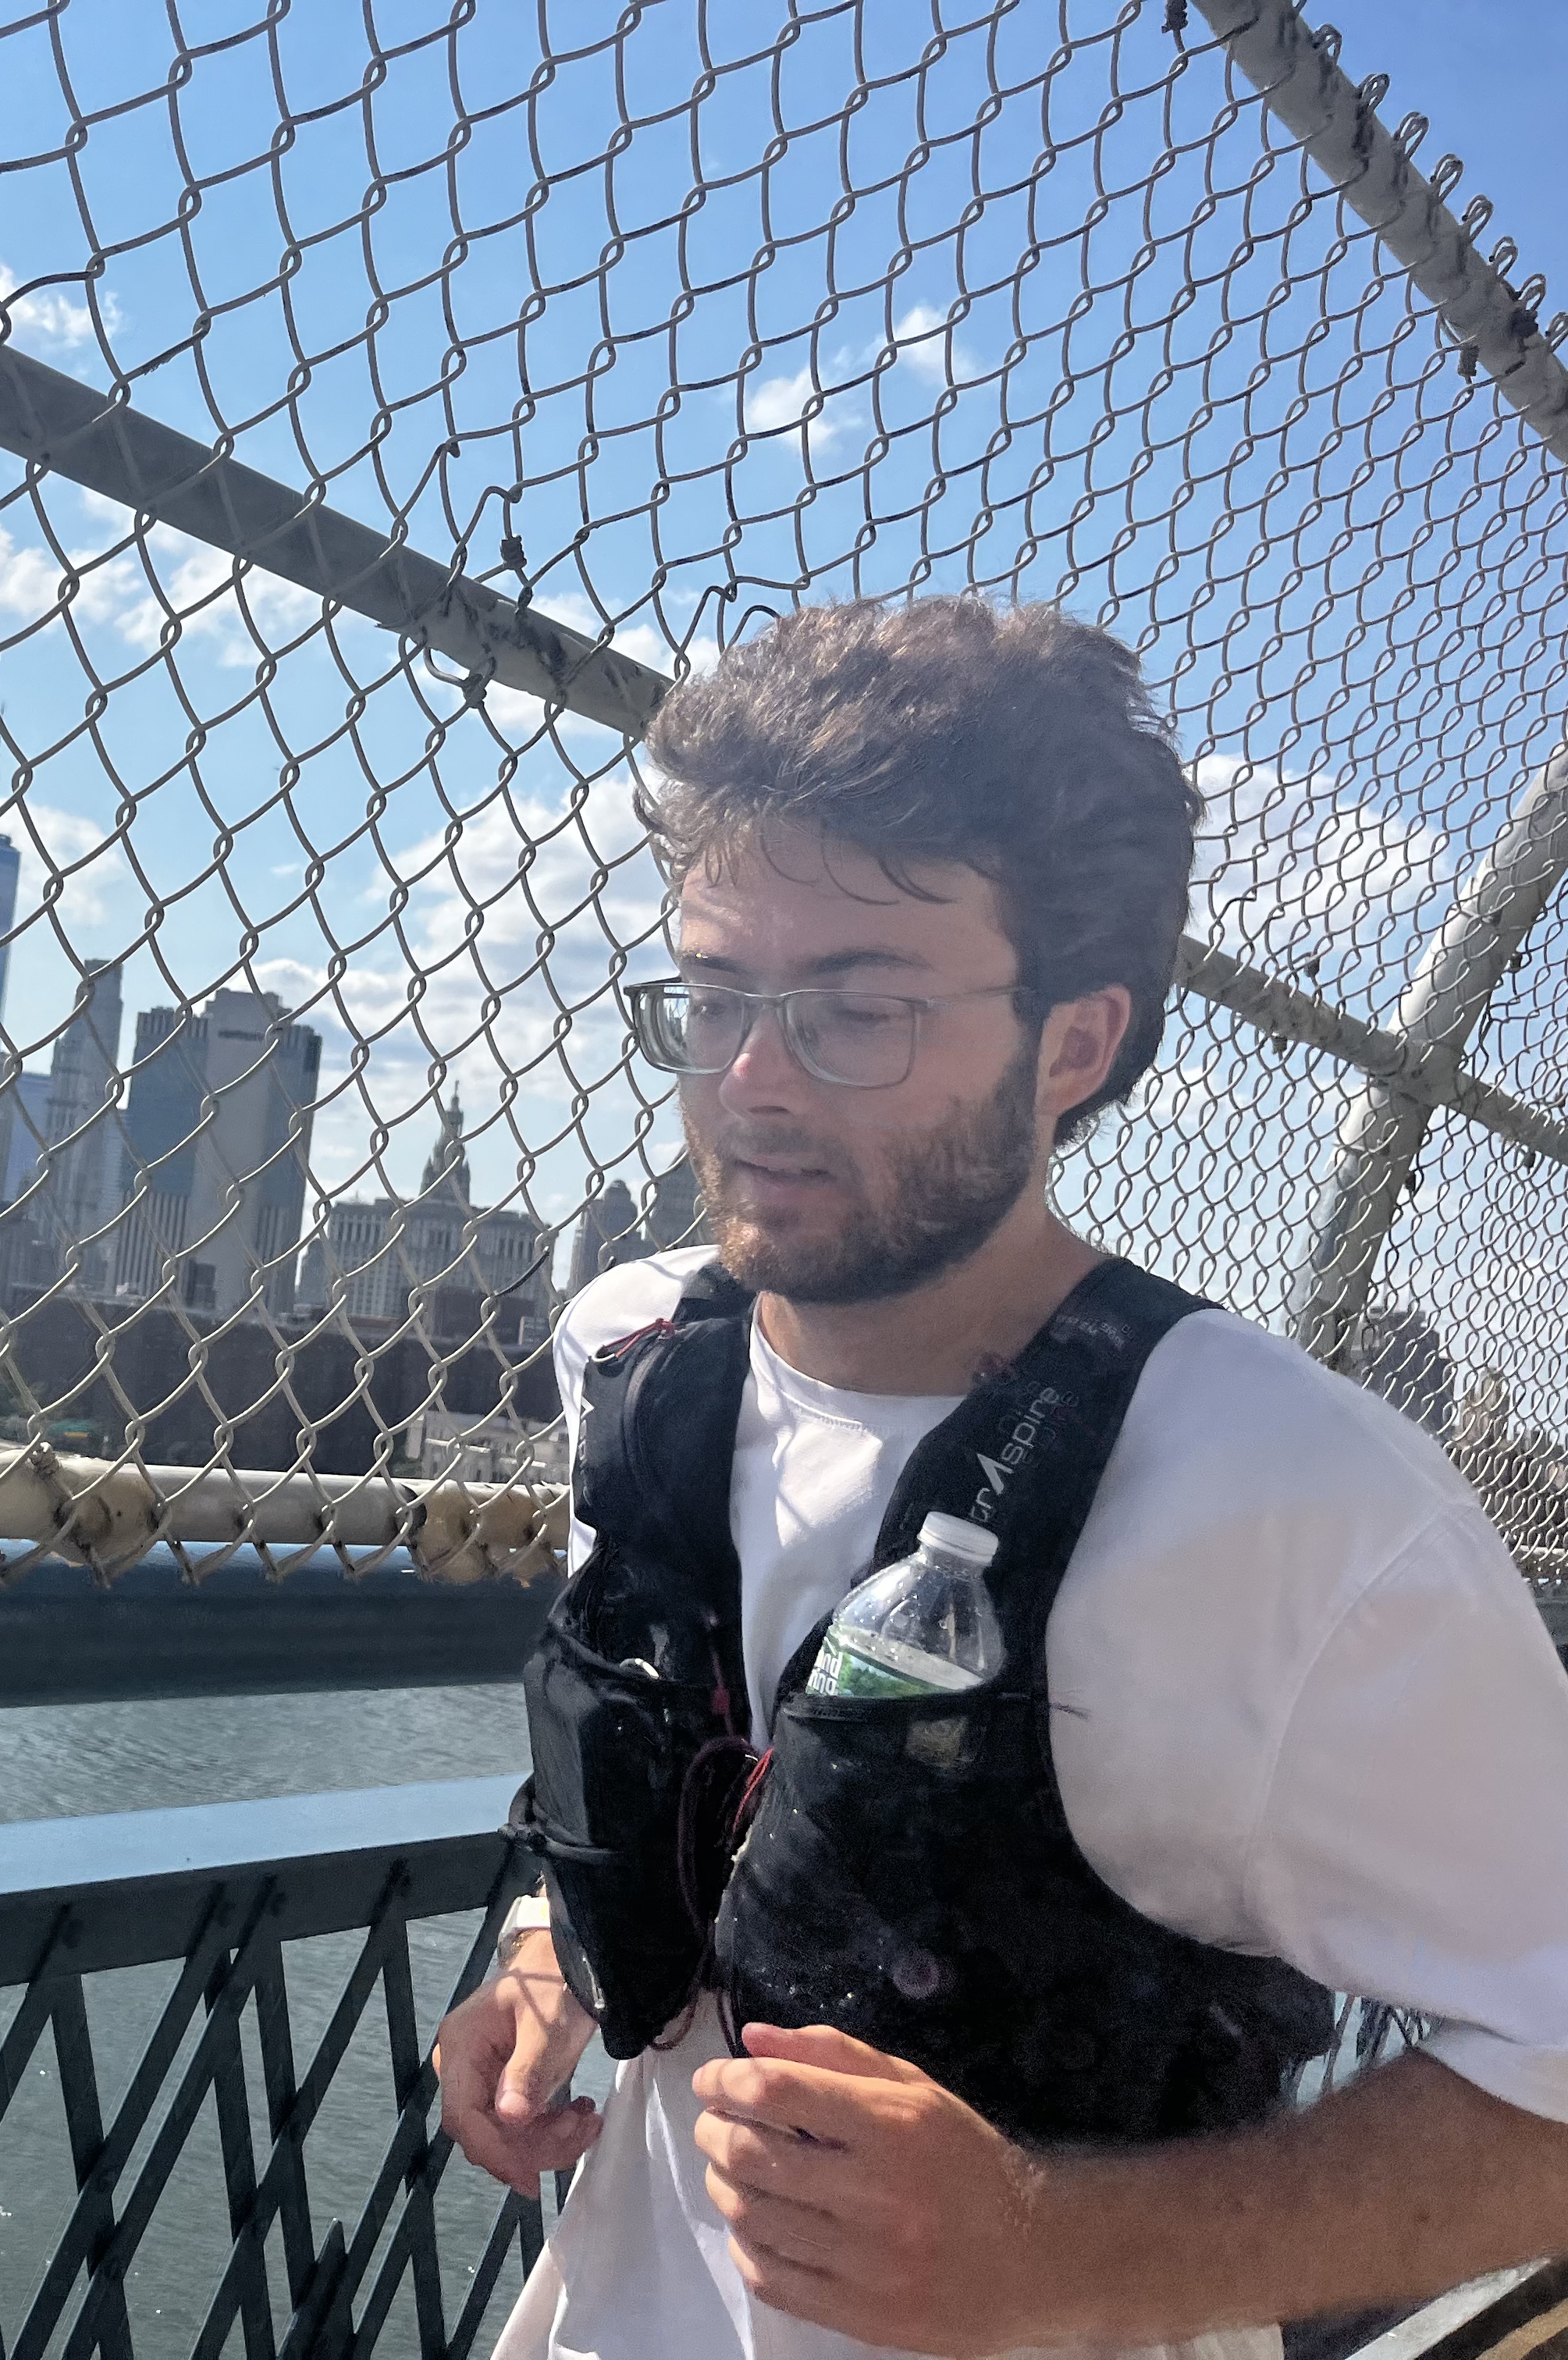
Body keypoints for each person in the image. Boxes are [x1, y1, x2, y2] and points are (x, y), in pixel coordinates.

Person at [433, 596, 1568, 2360]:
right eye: (716, 992)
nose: (749, 1082)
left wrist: (1060, 2253)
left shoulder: (1297, 1510)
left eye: (856, 1010)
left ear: (1077, 1043)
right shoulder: (632, 1353)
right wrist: (543, 1959)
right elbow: (693, 1742)